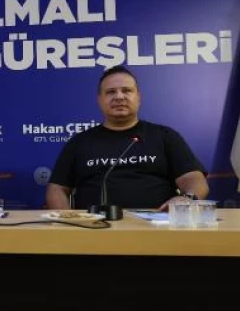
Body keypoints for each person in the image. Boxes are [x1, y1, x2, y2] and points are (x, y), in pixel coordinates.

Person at [46, 65, 209, 210]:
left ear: (139, 97)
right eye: (111, 92)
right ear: (99, 100)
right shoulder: (79, 142)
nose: (119, 97)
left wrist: (187, 199)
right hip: (93, 227)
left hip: (157, 226)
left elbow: (194, 179)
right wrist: (67, 221)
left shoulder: (165, 136)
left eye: (127, 90)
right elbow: (56, 189)